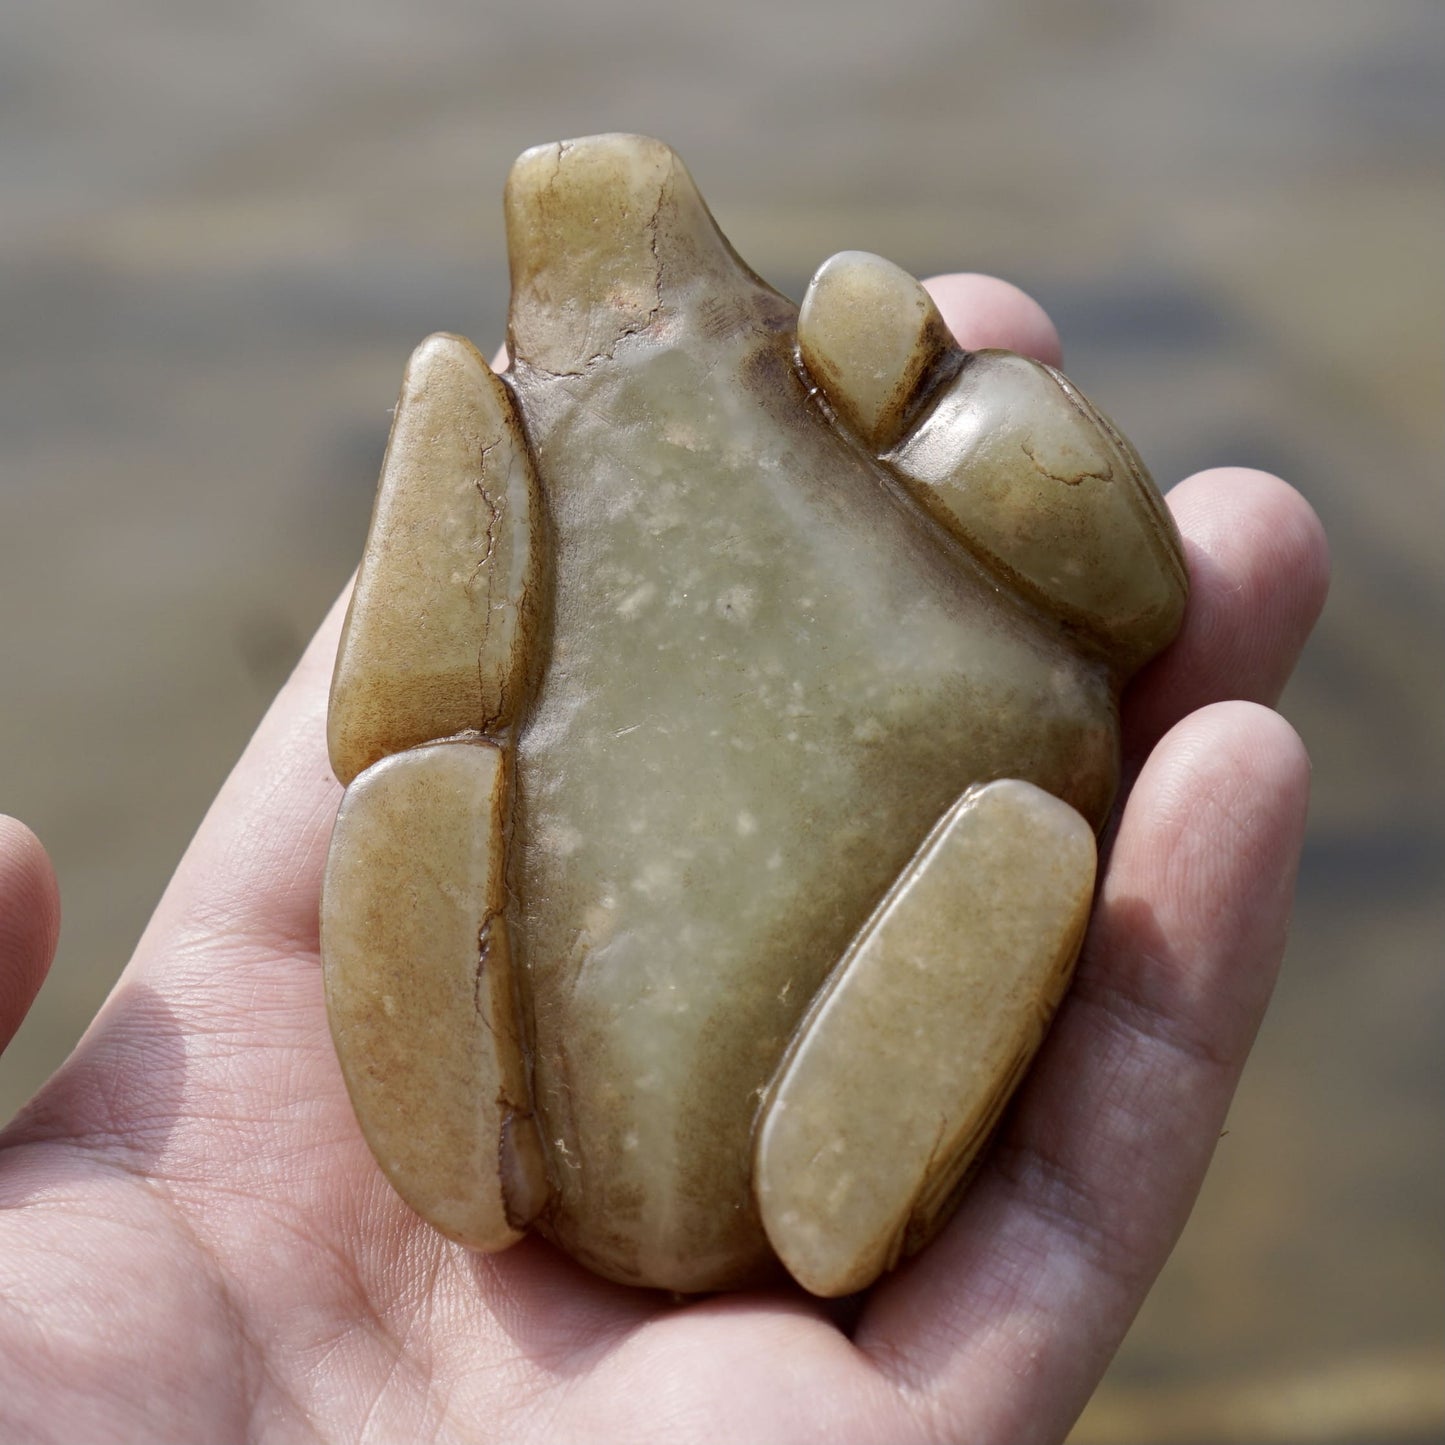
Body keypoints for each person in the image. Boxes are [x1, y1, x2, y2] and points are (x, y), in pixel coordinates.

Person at [0, 273, 1328, 1443]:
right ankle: (806, 1196)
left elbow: (1139, 600)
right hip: (613, 1150)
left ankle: (806, 1193)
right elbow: (1134, 595)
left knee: (1029, 804)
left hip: (628, 1150)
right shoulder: (561, 426)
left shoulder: (550, 426)